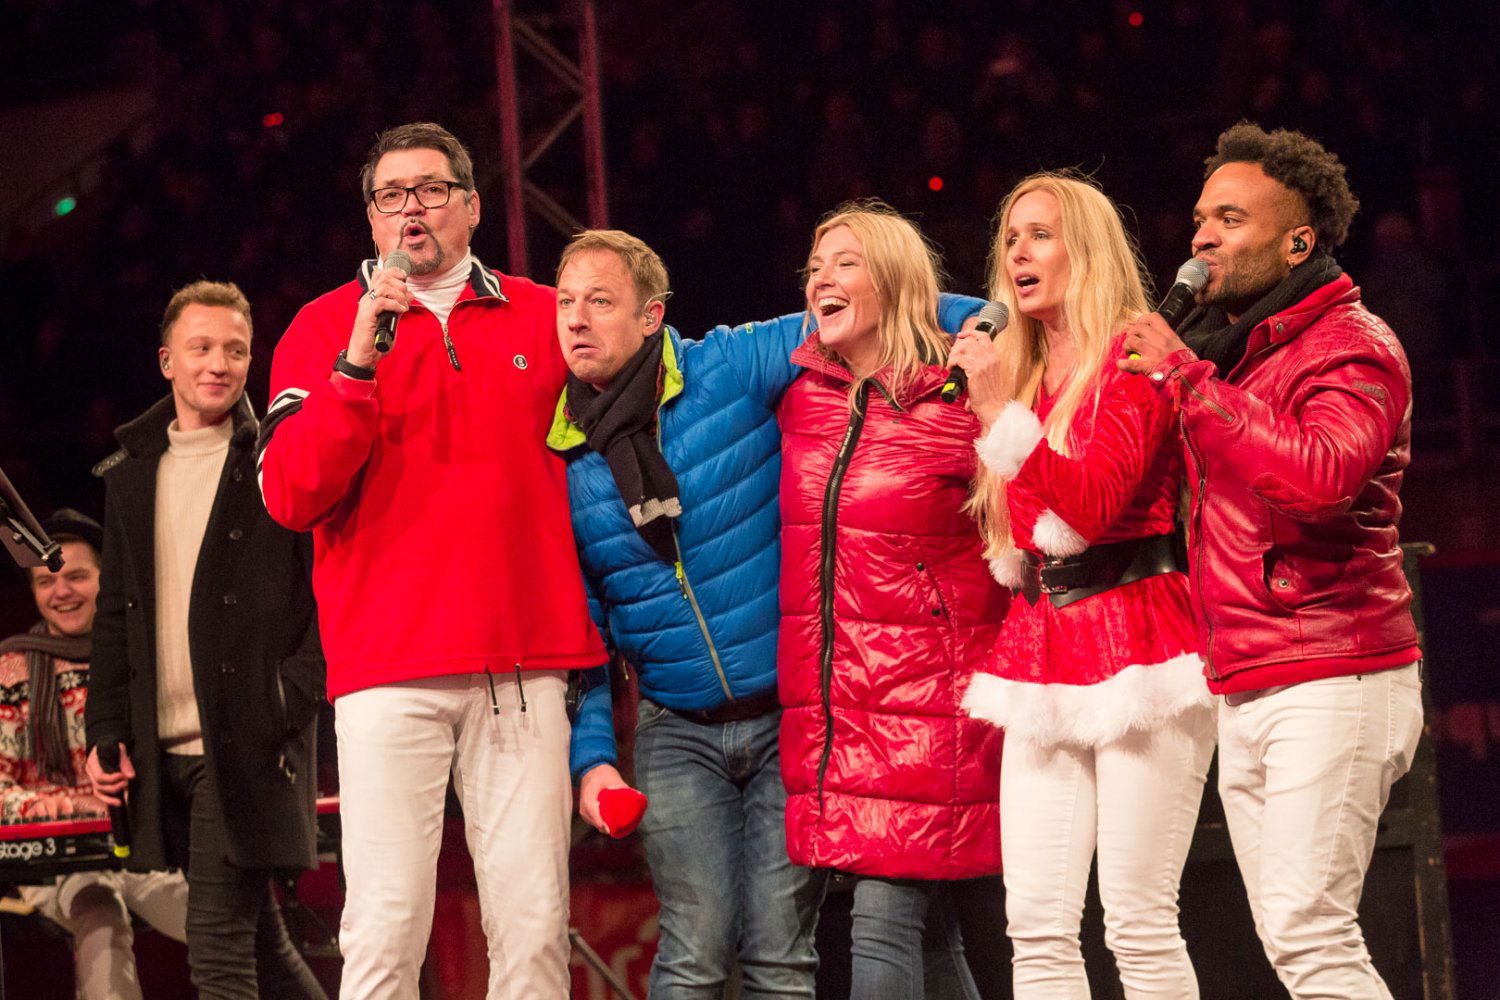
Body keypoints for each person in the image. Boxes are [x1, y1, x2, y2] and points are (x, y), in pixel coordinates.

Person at [550, 229, 983, 998]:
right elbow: (582, 636)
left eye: (600, 301)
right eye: (566, 302)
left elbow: (884, 305)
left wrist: (985, 323)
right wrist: (593, 762)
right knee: (692, 953)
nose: (576, 320)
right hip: (674, 729)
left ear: (653, 316)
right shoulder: (561, 457)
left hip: (792, 718)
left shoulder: (729, 364)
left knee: (782, 958)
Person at [256, 122, 607, 999]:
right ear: (370, 219)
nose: (411, 208)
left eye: (432, 189)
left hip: (526, 663)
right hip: (386, 672)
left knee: (532, 930)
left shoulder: (543, 310)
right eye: (391, 195)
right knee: (384, 931)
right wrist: (354, 369)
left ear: (474, 206)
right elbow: (290, 496)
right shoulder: (321, 327)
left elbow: (654, 379)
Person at [1118, 123, 1423, 1000]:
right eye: (1201, 218)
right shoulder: (1239, 355)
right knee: (1294, 941)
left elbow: (1320, 477)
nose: (1202, 237)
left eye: (1230, 219)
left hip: (1334, 670)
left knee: (1308, 933)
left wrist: (1183, 383)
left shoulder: (1353, 344)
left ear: (1299, 241)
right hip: (1250, 674)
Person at [953, 172, 1215, 998]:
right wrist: (999, 408)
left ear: (1086, 249)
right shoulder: (1020, 373)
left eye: (1040, 233)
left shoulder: (1135, 355)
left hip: (1142, 640)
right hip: (1041, 644)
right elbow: (1022, 530)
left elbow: (1096, 505)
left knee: (1136, 918)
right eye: (1010, 238)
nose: (1018, 252)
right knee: (1034, 926)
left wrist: (999, 417)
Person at [776, 202, 1006, 999]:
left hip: (930, 709)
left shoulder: (959, 399)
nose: (821, 279)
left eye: (846, 262)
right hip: (840, 714)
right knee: (933, 945)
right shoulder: (803, 395)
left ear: (899, 281)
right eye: (815, 265)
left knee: (881, 921)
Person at [84, 280, 326, 1000]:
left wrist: (292, 697)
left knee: (218, 953)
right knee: (262, 945)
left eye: (235, 350)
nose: (218, 364)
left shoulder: (279, 456)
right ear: (167, 361)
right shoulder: (129, 475)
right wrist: (105, 731)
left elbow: (325, 591)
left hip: (248, 743)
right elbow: (115, 615)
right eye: (201, 348)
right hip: (165, 752)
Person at [2, 508, 189, 1000]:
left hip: (150, 852)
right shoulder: (9, 671)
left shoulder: (144, 659)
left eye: (77, 576)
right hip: (61, 866)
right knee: (100, 914)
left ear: (107, 581)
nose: (61, 592)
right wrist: (85, 810)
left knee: (223, 922)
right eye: (46, 581)